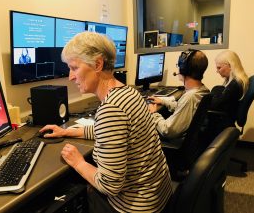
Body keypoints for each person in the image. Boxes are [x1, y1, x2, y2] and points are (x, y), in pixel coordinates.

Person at [39, 31, 172, 213]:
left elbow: (109, 186)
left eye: (75, 68)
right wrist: (67, 131)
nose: (70, 76)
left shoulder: (111, 109)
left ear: (98, 64)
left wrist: (78, 162)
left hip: (137, 207)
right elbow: (108, 132)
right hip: (159, 194)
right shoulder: (129, 93)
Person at [147, 50, 210, 141]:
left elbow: (167, 130)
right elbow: (183, 108)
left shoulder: (190, 97)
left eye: (179, 66)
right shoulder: (202, 90)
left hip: (177, 145)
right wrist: (163, 101)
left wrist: (154, 114)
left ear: (184, 69)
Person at [210, 50, 249, 127]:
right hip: (225, 119)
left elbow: (214, 105)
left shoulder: (235, 84)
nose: (217, 71)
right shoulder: (240, 81)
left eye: (219, 68)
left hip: (221, 124)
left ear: (230, 66)